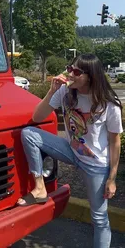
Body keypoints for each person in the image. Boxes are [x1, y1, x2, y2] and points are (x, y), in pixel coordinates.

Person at [18, 53, 123, 248]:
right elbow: (37, 117)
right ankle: (40, 189)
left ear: (90, 76)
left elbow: (114, 142)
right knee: (29, 133)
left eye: (76, 71)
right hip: (71, 151)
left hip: (96, 165)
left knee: (99, 218)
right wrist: (51, 91)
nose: (70, 74)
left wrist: (112, 178)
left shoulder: (108, 104)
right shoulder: (65, 92)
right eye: (69, 68)